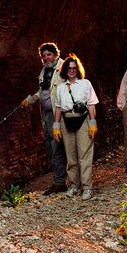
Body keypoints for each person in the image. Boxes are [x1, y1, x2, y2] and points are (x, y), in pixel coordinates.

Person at [19, 41, 70, 193]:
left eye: (49, 55)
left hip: (60, 114)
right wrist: (31, 99)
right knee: (50, 147)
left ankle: (61, 182)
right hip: (47, 114)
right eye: (43, 56)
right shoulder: (45, 70)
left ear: (56, 55)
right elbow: (44, 90)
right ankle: (60, 180)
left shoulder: (64, 67)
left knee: (58, 148)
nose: (46, 58)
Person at [54, 54, 100, 197]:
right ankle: (74, 185)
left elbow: (91, 103)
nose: (72, 70)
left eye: (74, 68)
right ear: (65, 70)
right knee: (71, 156)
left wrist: (92, 122)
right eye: (69, 68)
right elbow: (58, 107)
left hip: (83, 119)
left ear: (78, 69)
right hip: (66, 119)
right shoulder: (61, 87)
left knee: (84, 155)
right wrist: (56, 125)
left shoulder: (85, 83)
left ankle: (87, 187)